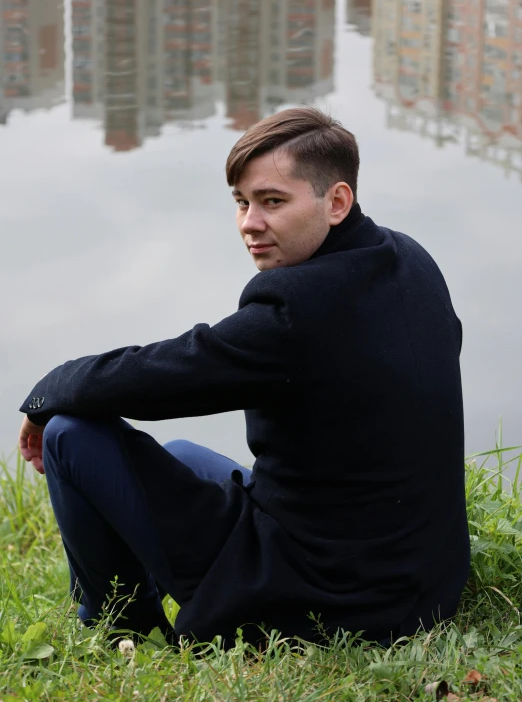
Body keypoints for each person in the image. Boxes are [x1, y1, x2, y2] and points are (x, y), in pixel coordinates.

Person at [18, 108, 470, 647]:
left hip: (329, 598)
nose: (249, 223)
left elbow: (162, 374)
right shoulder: (409, 259)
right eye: (242, 202)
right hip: (420, 580)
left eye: (272, 202)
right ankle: (123, 602)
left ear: (337, 201)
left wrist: (45, 394)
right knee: (183, 452)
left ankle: (120, 627)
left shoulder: (295, 307)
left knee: (71, 432)